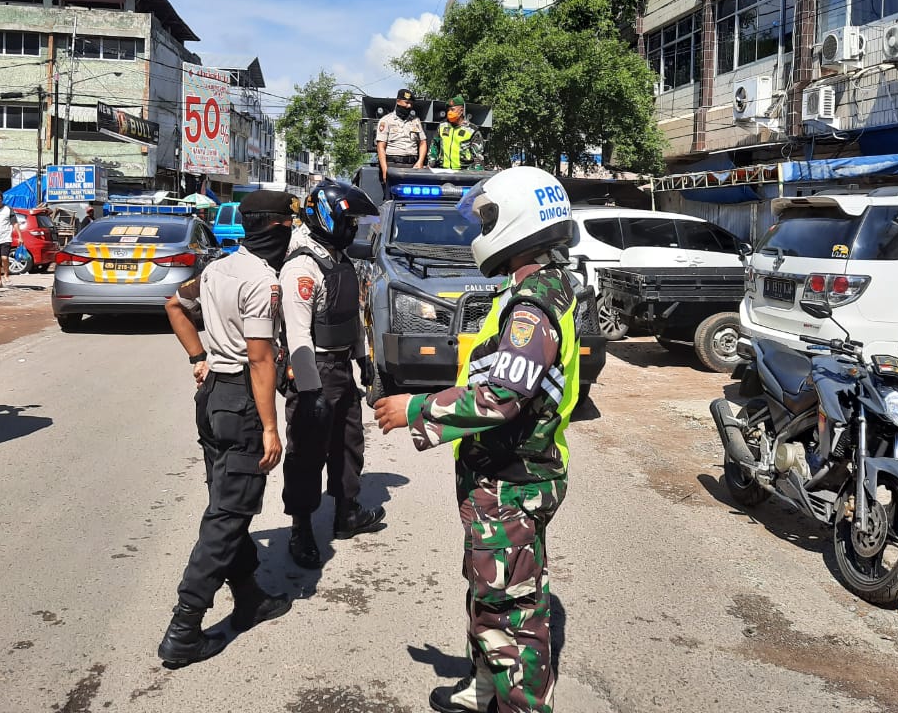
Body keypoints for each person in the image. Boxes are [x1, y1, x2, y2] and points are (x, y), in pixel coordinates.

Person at [374, 167, 582, 713]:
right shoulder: (543, 285)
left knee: (512, 614)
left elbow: (500, 396)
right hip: (509, 471)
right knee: (489, 593)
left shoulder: (532, 307)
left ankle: (520, 703)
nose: (480, 228)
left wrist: (414, 408)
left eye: (487, 217)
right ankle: (483, 687)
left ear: (519, 221)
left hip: (513, 479)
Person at [156, 189, 298, 668]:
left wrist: (199, 357)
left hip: (213, 396)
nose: (291, 232)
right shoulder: (262, 280)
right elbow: (260, 358)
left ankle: (250, 596)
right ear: (276, 228)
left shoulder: (218, 268)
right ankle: (184, 628)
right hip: (241, 402)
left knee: (226, 505)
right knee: (226, 519)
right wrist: (271, 427)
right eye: (288, 225)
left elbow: (173, 305)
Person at [278, 179, 384, 569]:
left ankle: (347, 512)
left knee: (348, 444)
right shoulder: (302, 266)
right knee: (307, 452)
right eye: (349, 220)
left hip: (341, 367)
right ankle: (300, 528)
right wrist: (309, 390)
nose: (354, 228)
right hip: (314, 367)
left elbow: (350, 317)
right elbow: (298, 333)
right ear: (326, 216)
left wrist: (363, 359)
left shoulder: (339, 260)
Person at [375, 87, 427, 184]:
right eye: (406, 103)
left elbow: (423, 143)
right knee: (392, 196)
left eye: (411, 104)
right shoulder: (386, 120)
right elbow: (380, 147)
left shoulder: (416, 121)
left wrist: (420, 161)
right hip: (393, 165)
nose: (408, 106)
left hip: (412, 165)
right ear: (398, 102)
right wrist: (385, 170)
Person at [428, 95, 485, 171]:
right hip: (443, 171)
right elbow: (434, 146)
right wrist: (431, 163)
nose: (449, 112)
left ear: (461, 111)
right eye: (448, 110)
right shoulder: (442, 126)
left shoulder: (471, 130)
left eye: (452, 110)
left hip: (464, 172)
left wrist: (475, 173)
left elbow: (478, 156)